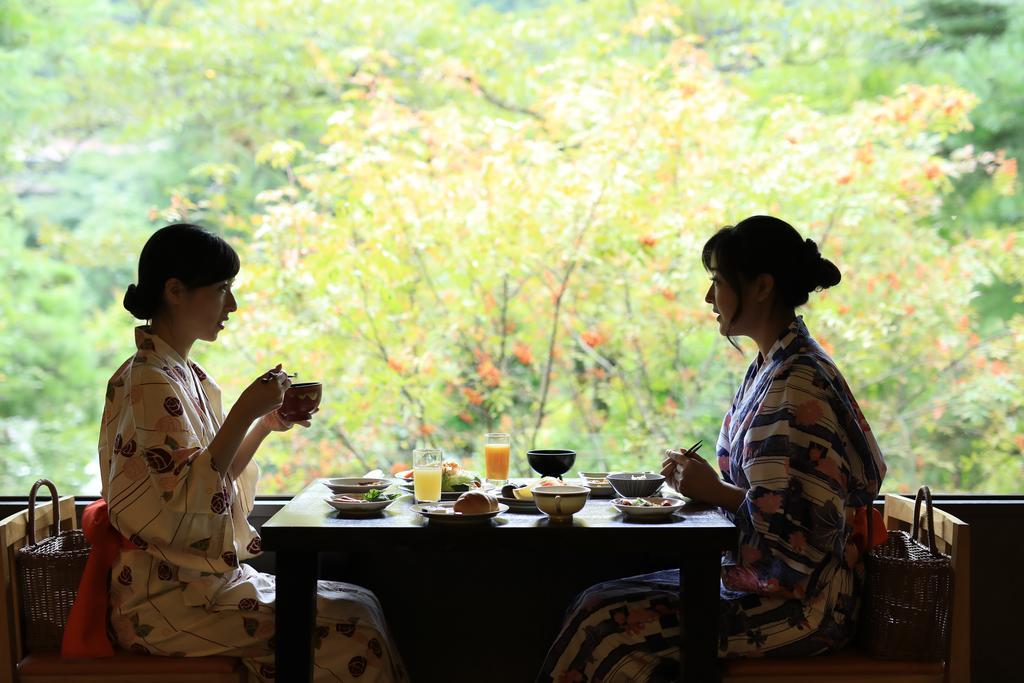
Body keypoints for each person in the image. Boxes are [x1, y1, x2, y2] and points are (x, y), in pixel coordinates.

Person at [537, 215, 887, 682]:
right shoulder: (776, 363)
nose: (709, 298)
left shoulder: (798, 382)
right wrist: (707, 483)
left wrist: (717, 492)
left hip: (806, 606)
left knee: (605, 626)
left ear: (761, 287)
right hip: (771, 585)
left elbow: (803, 529)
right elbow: (775, 496)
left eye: (718, 282)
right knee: (593, 601)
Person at [96, 223, 406, 682]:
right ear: (175, 291)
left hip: (193, 585)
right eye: (222, 289)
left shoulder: (181, 373)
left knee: (362, 605)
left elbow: (209, 482)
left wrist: (263, 424)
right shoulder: (148, 380)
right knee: (355, 633)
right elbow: (184, 504)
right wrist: (243, 410)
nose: (233, 305)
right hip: (166, 602)